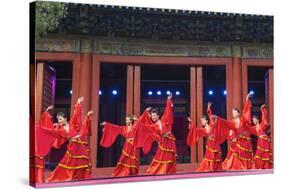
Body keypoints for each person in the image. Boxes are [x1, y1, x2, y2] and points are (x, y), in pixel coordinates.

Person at [46, 97, 93, 182]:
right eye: (58, 119)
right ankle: (59, 177)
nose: (59, 121)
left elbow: (76, 115)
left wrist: (78, 103)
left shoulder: (72, 123)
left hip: (80, 144)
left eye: (60, 119)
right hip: (73, 146)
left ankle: (81, 178)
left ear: (65, 119)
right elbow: (51, 132)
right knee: (69, 162)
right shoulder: (60, 129)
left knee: (82, 162)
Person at [211, 93, 254, 170]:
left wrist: (247, 99)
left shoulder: (242, 120)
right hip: (238, 142)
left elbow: (245, 111)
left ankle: (245, 167)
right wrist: (217, 118)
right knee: (235, 153)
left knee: (245, 155)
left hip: (244, 141)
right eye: (233, 113)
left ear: (238, 113)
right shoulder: (232, 122)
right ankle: (237, 167)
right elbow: (225, 122)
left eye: (235, 112)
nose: (233, 114)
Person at [137, 94, 177, 175]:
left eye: (154, 116)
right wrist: (145, 112)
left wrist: (168, 101)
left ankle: (168, 171)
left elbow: (167, 112)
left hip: (169, 140)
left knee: (169, 157)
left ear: (158, 116)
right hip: (163, 141)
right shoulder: (153, 126)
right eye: (152, 116)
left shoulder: (163, 119)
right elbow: (144, 126)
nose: (153, 117)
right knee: (161, 156)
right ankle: (158, 170)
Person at [186, 102, 222, 172]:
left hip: (215, 144)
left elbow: (210, 116)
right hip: (209, 145)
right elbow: (195, 130)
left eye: (203, 120)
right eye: (201, 121)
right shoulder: (203, 130)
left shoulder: (212, 125)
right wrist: (191, 123)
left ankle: (217, 169)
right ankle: (210, 169)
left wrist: (208, 108)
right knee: (210, 157)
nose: (202, 122)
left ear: (206, 121)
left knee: (216, 157)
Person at [246, 104, 273, 169]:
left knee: (265, 153)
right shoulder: (254, 127)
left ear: (258, 120)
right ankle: (259, 166)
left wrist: (262, 110)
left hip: (265, 140)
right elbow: (248, 128)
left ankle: (266, 166)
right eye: (253, 120)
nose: (253, 121)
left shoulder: (262, 125)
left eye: (254, 119)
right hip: (260, 141)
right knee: (259, 153)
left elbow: (264, 118)